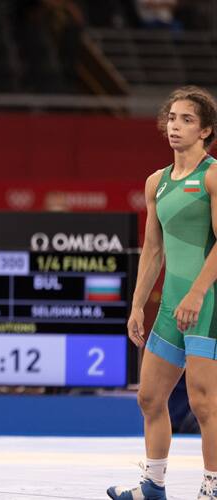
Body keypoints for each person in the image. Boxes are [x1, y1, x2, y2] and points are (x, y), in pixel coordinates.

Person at [107, 86, 217, 500]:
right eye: (172, 118)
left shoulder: (212, 175)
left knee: (205, 404)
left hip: (207, 303)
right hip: (172, 305)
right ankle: (152, 485)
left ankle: (211, 488)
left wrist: (198, 293)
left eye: (187, 119)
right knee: (150, 397)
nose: (176, 125)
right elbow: (153, 250)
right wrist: (137, 305)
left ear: (206, 130)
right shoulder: (157, 182)